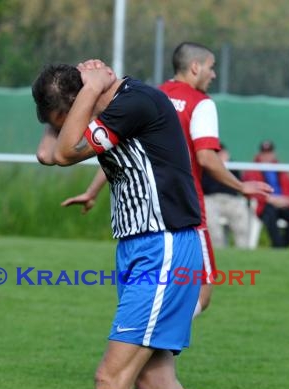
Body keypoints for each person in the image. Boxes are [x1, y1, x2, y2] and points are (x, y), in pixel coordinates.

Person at [0, 59, 254, 389]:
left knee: (109, 377)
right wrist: (80, 90)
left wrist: (88, 90)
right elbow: (49, 154)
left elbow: (68, 150)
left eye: (64, 114)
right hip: (142, 252)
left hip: (164, 250)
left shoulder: (136, 102)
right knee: (154, 382)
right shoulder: (99, 104)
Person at [64, 43, 271, 317]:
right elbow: (207, 158)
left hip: (142, 213)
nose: (213, 75)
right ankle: (146, 342)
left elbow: (119, 150)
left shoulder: (150, 94)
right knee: (201, 293)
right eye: (211, 68)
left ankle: (146, 341)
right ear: (195, 67)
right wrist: (241, 186)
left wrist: (92, 191)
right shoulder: (201, 103)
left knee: (156, 290)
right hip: (187, 210)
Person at [242, 141, 289, 248]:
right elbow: (249, 190)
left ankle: (280, 245)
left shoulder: (280, 169)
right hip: (264, 205)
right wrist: (269, 199)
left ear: (273, 154)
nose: (267, 156)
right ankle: (278, 245)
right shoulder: (252, 169)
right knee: (270, 212)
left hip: (283, 205)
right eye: (264, 153)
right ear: (260, 154)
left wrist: (288, 199)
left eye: (269, 153)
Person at [202, 144, 250, 248]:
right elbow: (206, 186)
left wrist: (225, 167)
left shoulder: (233, 167)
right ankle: (217, 248)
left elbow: (238, 185)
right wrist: (217, 169)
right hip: (212, 198)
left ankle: (243, 249)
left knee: (241, 211)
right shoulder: (206, 167)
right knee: (209, 216)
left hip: (231, 200)